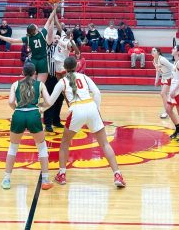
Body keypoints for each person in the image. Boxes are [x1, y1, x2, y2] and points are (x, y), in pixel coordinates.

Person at [52, 56, 126, 188]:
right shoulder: (85, 77)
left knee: (65, 143)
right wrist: (96, 109)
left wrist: (40, 109)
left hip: (76, 110)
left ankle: (62, 174)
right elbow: (97, 93)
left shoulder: (62, 81)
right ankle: (117, 174)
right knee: (104, 144)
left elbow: (50, 101)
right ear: (76, 66)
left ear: (64, 68)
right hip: (91, 107)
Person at [1, 62, 54, 191]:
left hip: (18, 115)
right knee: (41, 147)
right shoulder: (40, 84)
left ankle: (7, 179)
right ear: (35, 73)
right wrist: (40, 109)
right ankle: (46, 179)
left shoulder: (15, 84)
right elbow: (49, 102)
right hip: (33, 115)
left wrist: (17, 109)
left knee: (13, 148)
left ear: (23, 72)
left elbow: (10, 102)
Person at [0, 7, 58, 84]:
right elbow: (49, 20)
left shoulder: (28, 38)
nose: (37, 26)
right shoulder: (42, 34)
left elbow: (12, 41)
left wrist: (0, 36)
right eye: (36, 26)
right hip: (43, 61)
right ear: (35, 30)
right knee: (39, 86)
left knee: (32, 85)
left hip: (33, 61)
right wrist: (55, 7)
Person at [152, 47, 173, 120]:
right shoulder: (154, 61)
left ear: (158, 52)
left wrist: (174, 76)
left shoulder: (162, 59)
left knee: (163, 94)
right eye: (152, 51)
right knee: (165, 95)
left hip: (169, 76)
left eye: (154, 50)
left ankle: (167, 111)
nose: (152, 51)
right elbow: (157, 71)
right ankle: (168, 110)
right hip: (164, 77)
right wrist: (156, 80)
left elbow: (172, 66)